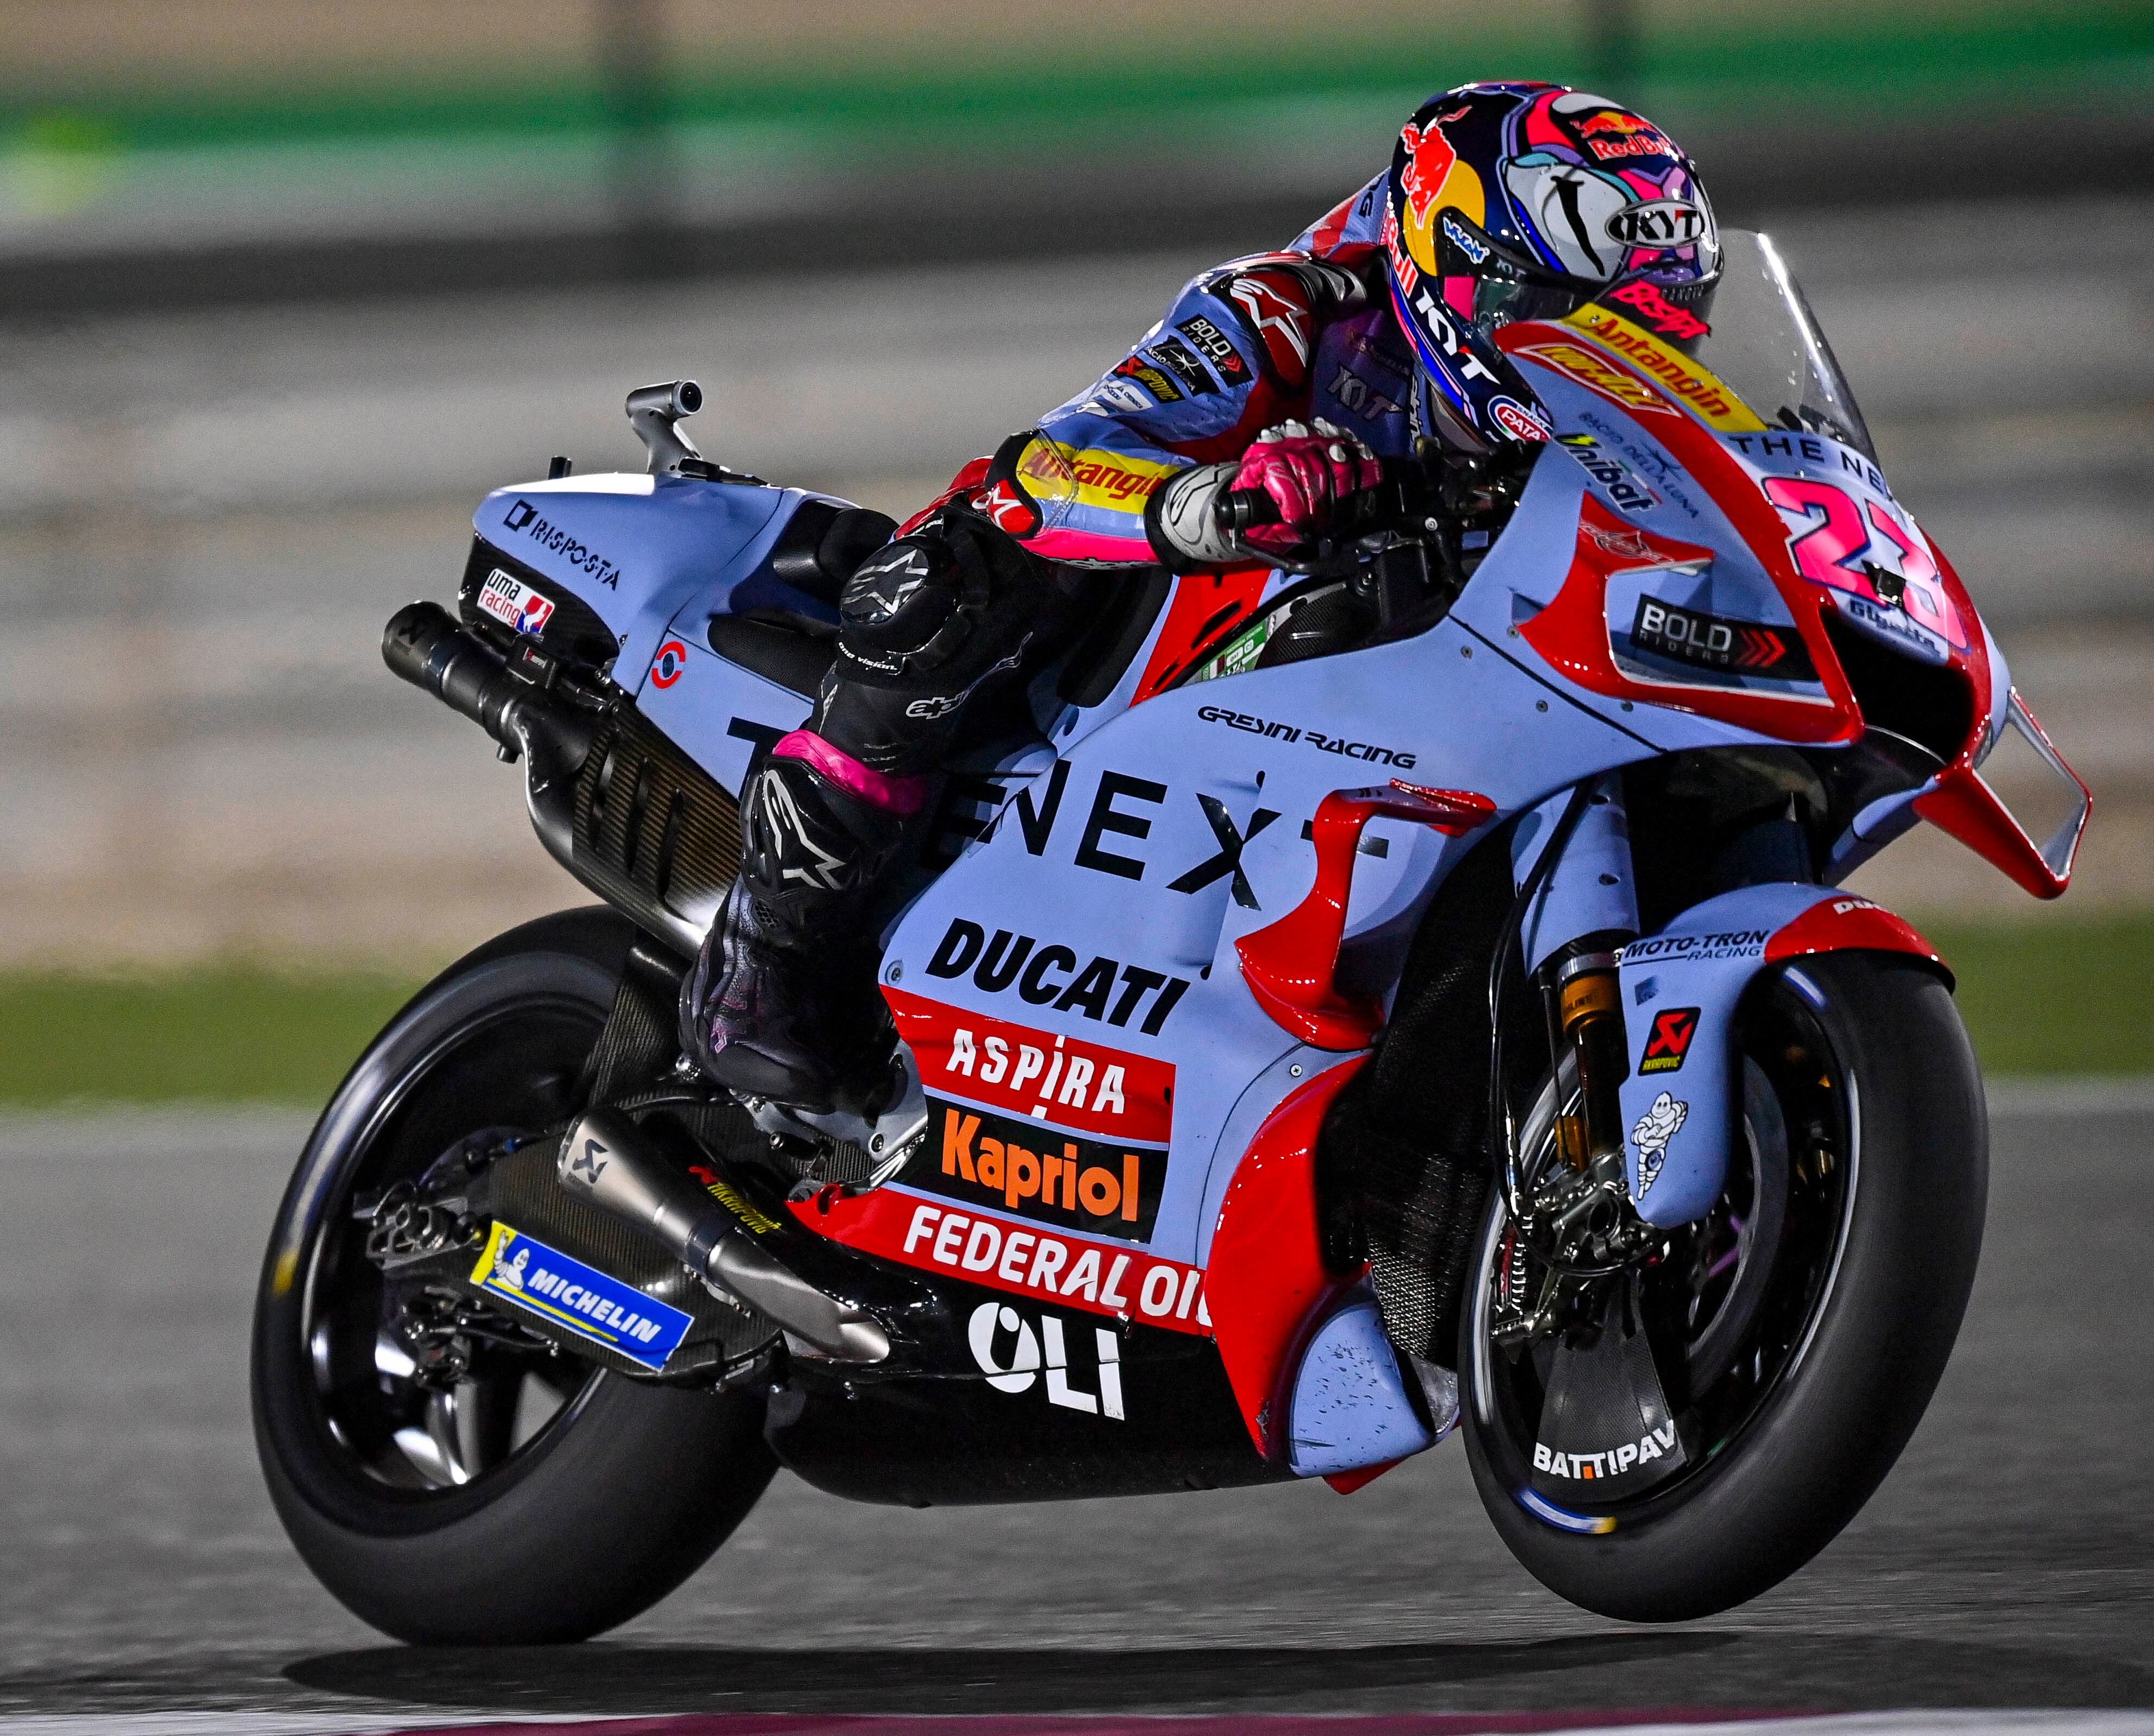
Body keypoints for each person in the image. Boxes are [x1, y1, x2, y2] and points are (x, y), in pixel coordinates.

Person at [682, 80, 1723, 1116]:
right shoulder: (1294, 304)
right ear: (1466, 276)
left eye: (1660, 334)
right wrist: (1217, 503)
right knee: (946, 579)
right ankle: (769, 953)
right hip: (1161, 641)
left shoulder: (1597, 427)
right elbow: (1049, 472)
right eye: (1572, 322)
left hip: (1442, 688)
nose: (1622, 363)